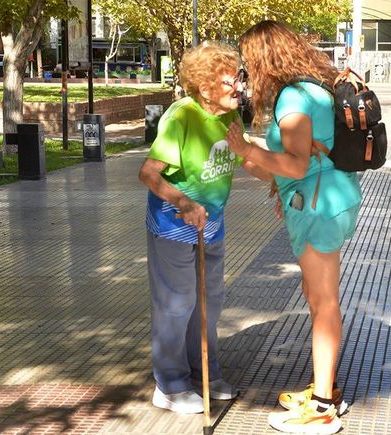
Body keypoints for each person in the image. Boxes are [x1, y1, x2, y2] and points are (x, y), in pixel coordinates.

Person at [225, 20, 362, 434]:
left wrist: (246, 148)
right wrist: (247, 157)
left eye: (249, 60)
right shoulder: (315, 88)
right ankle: (325, 388)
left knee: (324, 302)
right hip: (328, 199)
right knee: (318, 297)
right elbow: (289, 166)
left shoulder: (294, 97)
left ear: (265, 58)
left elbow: (296, 165)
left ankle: (322, 407)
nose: (248, 70)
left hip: (319, 206)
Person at [138, 41, 270, 414]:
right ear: (206, 87)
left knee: (208, 303)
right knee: (176, 304)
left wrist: (280, 180)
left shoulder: (230, 117)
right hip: (174, 225)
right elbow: (149, 173)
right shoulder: (181, 117)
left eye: (239, 78)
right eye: (231, 81)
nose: (239, 87)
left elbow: (246, 160)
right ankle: (170, 385)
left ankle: (204, 374)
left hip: (211, 225)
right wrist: (184, 202)